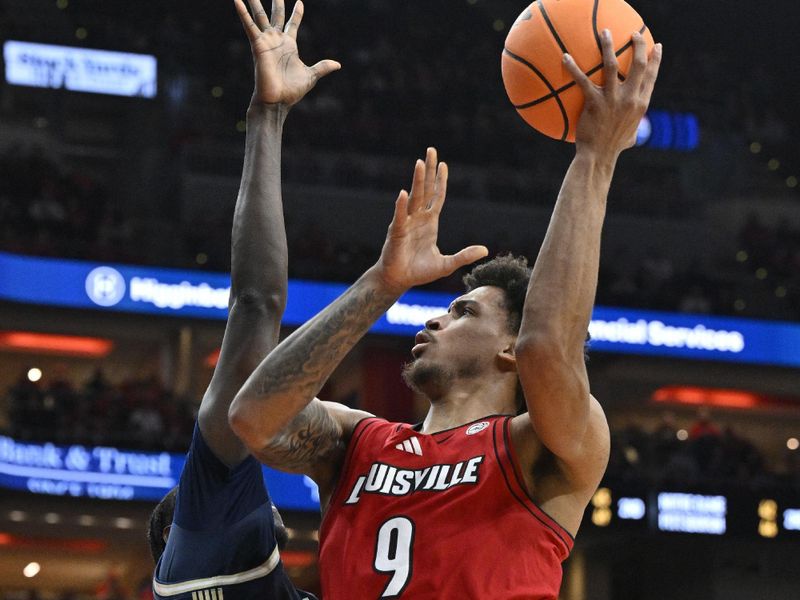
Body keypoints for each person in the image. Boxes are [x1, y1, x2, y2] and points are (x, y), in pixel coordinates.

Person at [229, 31, 662, 599]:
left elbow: (546, 346)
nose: (432, 321)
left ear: (508, 348)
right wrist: (383, 283)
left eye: (461, 312)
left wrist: (595, 157)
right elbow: (252, 416)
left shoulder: (544, 446)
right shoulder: (358, 442)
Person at [146, 1, 339, 599]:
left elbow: (259, 304)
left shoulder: (219, 549)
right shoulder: (211, 540)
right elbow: (254, 301)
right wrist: (267, 117)